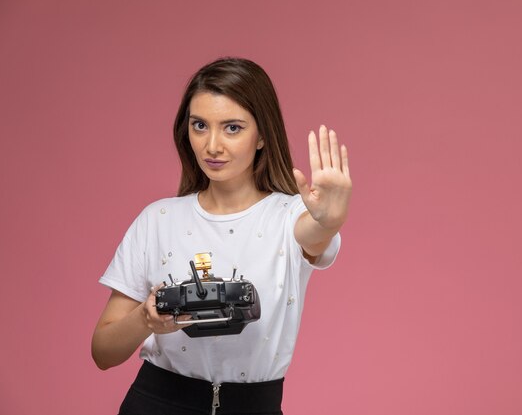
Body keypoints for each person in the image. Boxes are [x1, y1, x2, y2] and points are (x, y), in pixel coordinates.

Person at [91, 57, 352, 415]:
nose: (212, 146)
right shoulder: (157, 220)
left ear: (262, 135)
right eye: (200, 125)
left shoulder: (290, 215)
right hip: (156, 402)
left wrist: (329, 221)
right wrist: (145, 320)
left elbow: (313, 235)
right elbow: (103, 352)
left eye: (232, 128)